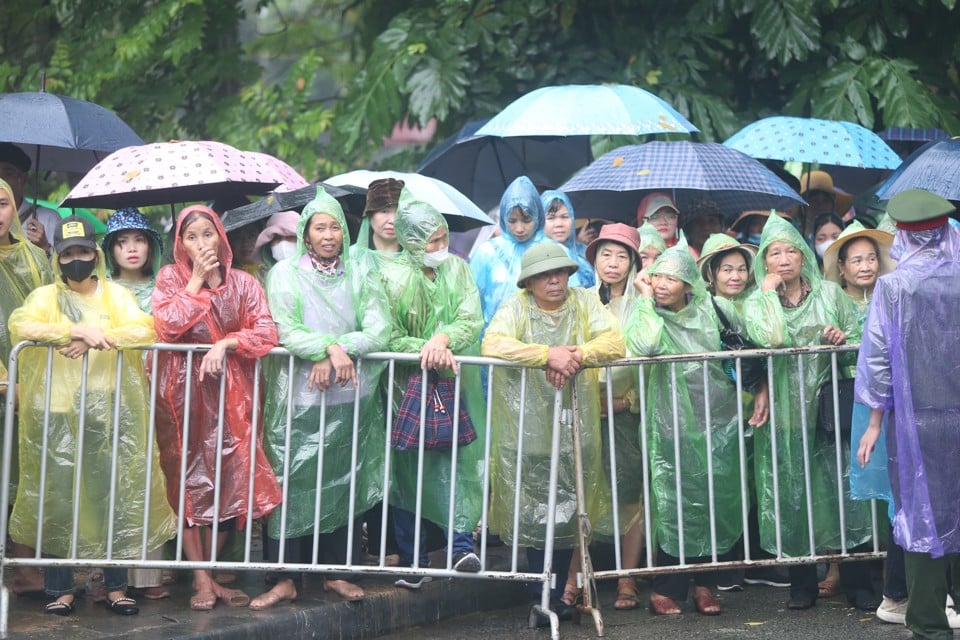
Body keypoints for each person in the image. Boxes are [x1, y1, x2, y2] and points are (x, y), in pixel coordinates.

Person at [8, 215, 176, 617]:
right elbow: (21, 323)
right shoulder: (46, 296)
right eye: (68, 254)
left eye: (83, 251)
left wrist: (105, 337)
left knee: (110, 499)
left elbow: (145, 329)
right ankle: (61, 589)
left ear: (95, 254)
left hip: (108, 411)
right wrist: (74, 333)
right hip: (58, 412)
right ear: (58, 259)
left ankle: (115, 587)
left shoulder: (115, 296)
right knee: (58, 500)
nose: (76, 260)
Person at [253, 187, 390, 608]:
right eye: (319, 227)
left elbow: (379, 327)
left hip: (349, 396)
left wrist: (337, 349)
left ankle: (336, 572)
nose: (328, 234)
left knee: (343, 480)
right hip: (298, 397)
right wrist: (329, 349)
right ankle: (284, 577)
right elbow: (285, 328)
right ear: (306, 235)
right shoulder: (285, 274)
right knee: (290, 482)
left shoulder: (361, 272)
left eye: (334, 226)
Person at [482, 242, 622, 622]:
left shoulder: (583, 302)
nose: (555, 280)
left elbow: (614, 341)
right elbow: (493, 342)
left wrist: (573, 355)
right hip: (529, 433)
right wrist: (547, 355)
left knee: (568, 511)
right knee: (536, 514)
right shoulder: (517, 306)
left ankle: (560, 595)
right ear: (529, 281)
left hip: (576, 428)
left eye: (560, 272)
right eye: (545, 274)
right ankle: (540, 595)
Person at [151, 205, 282, 611]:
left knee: (233, 476)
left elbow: (266, 331)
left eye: (208, 234)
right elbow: (167, 324)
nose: (201, 243)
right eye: (191, 237)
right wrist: (193, 284)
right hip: (181, 396)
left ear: (221, 237)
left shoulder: (243, 283)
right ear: (181, 245)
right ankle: (202, 580)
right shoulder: (170, 278)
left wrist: (227, 343)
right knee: (187, 481)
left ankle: (209, 569)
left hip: (233, 395)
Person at [742, 213, 875, 611]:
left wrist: (839, 340)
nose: (784, 259)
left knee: (845, 492)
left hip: (830, 411)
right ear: (764, 261)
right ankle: (802, 584)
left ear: (804, 257)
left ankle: (859, 583)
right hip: (783, 415)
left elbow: (856, 341)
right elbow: (772, 338)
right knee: (791, 497)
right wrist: (768, 295)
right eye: (774, 253)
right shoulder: (755, 302)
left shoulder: (831, 295)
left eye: (792, 251)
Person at [856, 190, 960, 639]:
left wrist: (875, 422)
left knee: (923, 515)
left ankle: (929, 623)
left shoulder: (893, 287)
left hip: (916, 421)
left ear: (902, 234)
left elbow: (877, 358)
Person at [625, 240, 744, 616]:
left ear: (690, 284)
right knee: (673, 503)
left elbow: (754, 343)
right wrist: (644, 297)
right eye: (657, 275)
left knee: (712, 500)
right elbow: (646, 344)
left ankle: (705, 585)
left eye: (672, 278)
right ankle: (666, 588)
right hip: (670, 422)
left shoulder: (716, 309)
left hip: (717, 421)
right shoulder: (647, 313)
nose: (661, 283)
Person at [379, 189, 486, 588]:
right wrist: (425, 349)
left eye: (443, 239)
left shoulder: (458, 269)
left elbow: (469, 317)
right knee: (409, 469)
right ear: (410, 241)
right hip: (406, 385)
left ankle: (461, 549)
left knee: (456, 460)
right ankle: (414, 560)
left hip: (456, 380)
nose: (441, 248)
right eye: (433, 241)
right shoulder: (390, 276)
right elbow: (387, 334)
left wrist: (441, 340)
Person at [584, 223, 645, 610]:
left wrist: (624, 403)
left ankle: (627, 578)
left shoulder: (643, 305)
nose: (613, 263)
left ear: (634, 262)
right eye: (606, 254)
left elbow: (652, 358)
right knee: (583, 496)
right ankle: (581, 580)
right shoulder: (581, 300)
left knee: (630, 496)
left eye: (622, 255)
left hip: (627, 412)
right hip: (587, 409)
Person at [0, 176, 53, 596]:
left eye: (2, 204)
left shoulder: (35, 258)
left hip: (28, 386)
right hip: (7, 380)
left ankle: (24, 566)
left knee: (26, 473)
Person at [470, 176, 547, 327]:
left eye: (526, 221)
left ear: (538, 217)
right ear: (503, 218)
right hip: (495, 340)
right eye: (512, 221)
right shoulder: (487, 252)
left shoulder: (551, 251)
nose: (519, 229)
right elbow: (471, 302)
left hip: (542, 342)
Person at [102, 208, 164, 313]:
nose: (132, 249)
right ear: (111, 250)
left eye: (139, 240)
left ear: (150, 247)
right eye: (123, 241)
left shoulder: (165, 287)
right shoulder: (100, 290)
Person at [0, 142, 59, 254]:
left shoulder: (48, 219)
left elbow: (60, 269)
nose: (1, 181)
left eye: (8, 173)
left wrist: (45, 248)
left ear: (22, 178)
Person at [540, 189, 595, 288]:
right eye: (551, 218)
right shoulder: (537, 257)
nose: (559, 224)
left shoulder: (582, 251)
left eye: (565, 217)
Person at [352, 177, 404, 268]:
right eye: (384, 211)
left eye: (398, 212)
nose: (392, 220)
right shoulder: (352, 257)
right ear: (369, 215)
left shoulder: (416, 257)